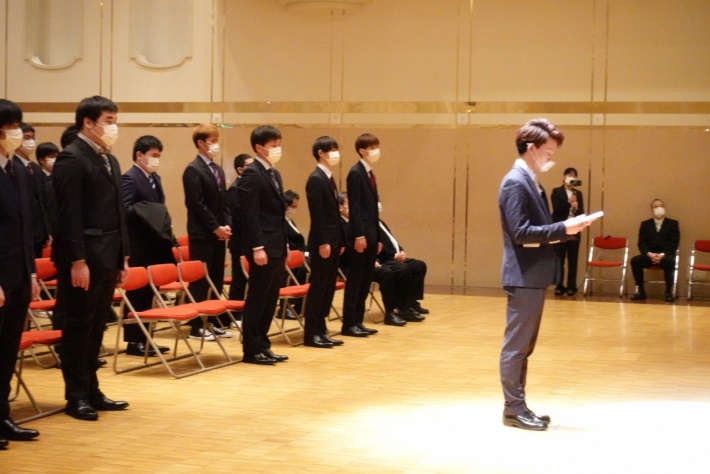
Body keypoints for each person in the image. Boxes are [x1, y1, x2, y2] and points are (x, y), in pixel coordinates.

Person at [498, 118, 594, 431]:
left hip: (532, 275)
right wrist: (563, 228)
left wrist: (567, 227)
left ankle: (518, 406)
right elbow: (520, 232)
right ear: (531, 147)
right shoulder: (515, 182)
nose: (552, 157)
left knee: (524, 347)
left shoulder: (530, 180)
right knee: (517, 347)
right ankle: (513, 409)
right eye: (549, 151)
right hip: (523, 275)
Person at [52, 95, 130, 421]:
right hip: (84, 259)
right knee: (78, 327)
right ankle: (76, 396)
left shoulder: (109, 159)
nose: (113, 127)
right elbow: (67, 215)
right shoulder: (71, 158)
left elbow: (118, 212)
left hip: (108, 256)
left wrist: (124, 256)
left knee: (98, 326)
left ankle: (93, 390)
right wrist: (77, 260)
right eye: (108, 120)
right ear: (88, 122)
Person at [0, 99, 41, 447]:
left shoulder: (17, 169)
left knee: (7, 350)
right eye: (11, 127)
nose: (17, 133)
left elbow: (26, 227)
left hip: (18, 274)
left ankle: (2, 416)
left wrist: (31, 273)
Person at [238, 125, 289, 365]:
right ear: (259, 148)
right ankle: (251, 349)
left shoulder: (273, 173)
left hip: (277, 243)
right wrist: (257, 246)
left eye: (279, 144)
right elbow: (250, 214)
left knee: (270, 298)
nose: (278, 148)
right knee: (258, 297)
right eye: (273, 145)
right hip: (262, 246)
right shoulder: (252, 174)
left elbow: (278, 215)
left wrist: (284, 242)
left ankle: (263, 344)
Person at [121, 135, 175, 356]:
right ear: (139, 155)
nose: (156, 159)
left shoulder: (155, 178)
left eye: (158, 155)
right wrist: (150, 214)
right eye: (153, 155)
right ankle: (134, 340)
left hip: (154, 244)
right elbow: (125, 209)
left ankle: (146, 336)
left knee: (150, 293)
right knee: (137, 293)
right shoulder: (130, 178)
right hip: (138, 244)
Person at [182, 123, 233, 341]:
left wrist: (226, 225)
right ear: (201, 143)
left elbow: (224, 202)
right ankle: (196, 325)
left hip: (219, 234)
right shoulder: (193, 169)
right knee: (201, 281)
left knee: (216, 279)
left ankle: (210, 321)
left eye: (217, 141)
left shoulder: (217, 169)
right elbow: (197, 204)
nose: (216, 145)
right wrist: (215, 227)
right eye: (213, 141)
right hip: (202, 235)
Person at [302, 136, 345, 348]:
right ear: (321, 153)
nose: (336, 154)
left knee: (328, 287)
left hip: (334, 240)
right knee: (319, 287)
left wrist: (340, 239)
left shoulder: (328, 178)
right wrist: (323, 241)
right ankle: (311, 333)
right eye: (332, 150)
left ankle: (322, 329)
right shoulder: (316, 179)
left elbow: (334, 214)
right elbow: (317, 215)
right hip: (323, 242)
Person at [341, 133, 383, 338]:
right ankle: (349, 323)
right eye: (372, 147)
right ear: (362, 150)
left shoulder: (369, 173)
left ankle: (358, 320)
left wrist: (378, 237)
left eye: (377, 146)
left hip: (371, 234)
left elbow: (373, 211)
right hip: (361, 236)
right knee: (356, 280)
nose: (376, 150)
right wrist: (359, 235)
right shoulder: (356, 173)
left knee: (365, 280)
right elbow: (355, 208)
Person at [377, 218, 427, 323]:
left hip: (393, 257)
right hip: (385, 259)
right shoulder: (366, 224)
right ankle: (403, 308)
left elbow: (392, 240)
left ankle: (411, 302)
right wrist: (394, 256)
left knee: (419, 266)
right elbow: (376, 247)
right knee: (403, 269)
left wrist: (401, 251)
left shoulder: (380, 221)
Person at [13, 123, 52, 257]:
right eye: (26, 138)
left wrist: (47, 230)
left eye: (32, 138)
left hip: (39, 231)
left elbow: (42, 202)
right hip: (21, 231)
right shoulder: (12, 167)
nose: (30, 141)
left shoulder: (36, 168)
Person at [629, 199, 680, 303]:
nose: (659, 208)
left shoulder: (673, 224)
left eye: (661, 206)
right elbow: (642, 243)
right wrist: (649, 254)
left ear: (664, 208)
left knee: (670, 261)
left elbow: (674, 243)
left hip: (666, 255)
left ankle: (668, 292)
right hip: (649, 255)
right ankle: (640, 291)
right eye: (656, 206)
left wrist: (662, 255)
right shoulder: (645, 224)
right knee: (635, 261)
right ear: (651, 209)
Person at [226, 153, 254, 315]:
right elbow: (239, 218)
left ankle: (246, 310)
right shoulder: (234, 189)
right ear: (240, 170)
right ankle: (235, 313)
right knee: (239, 279)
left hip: (249, 241)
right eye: (250, 166)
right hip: (240, 242)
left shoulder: (249, 187)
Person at [550, 167, 584, 296]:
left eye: (574, 176)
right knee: (560, 259)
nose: (572, 178)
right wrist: (568, 202)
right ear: (564, 177)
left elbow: (581, 213)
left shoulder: (578, 194)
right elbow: (556, 210)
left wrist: (576, 208)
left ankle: (571, 286)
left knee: (573, 259)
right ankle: (559, 285)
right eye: (569, 175)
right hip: (561, 229)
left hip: (575, 230)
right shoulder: (556, 192)